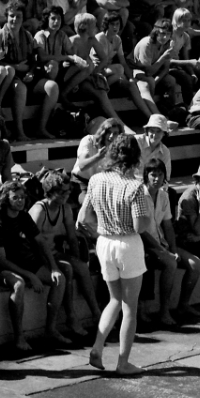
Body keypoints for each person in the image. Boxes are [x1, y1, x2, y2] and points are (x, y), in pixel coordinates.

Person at [78, 134, 151, 375]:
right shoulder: (135, 186)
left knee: (114, 300)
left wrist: (100, 233)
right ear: (135, 158)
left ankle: (98, 348)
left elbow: (84, 217)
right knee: (130, 307)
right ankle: (123, 362)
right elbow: (140, 226)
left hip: (104, 242)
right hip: (127, 243)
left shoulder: (96, 179)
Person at [0, 180, 72, 351]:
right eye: (15, 198)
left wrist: (54, 267)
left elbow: (40, 242)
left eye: (22, 197)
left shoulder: (24, 216)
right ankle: (19, 338)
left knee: (60, 279)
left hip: (28, 262)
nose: (20, 201)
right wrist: (30, 275)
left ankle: (51, 329)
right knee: (19, 285)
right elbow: (1, 260)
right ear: (5, 199)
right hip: (4, 268)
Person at [28, 168, 99, 333]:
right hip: (36, 255)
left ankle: (97, 314)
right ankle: (71, 317)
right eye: (62, 192)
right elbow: (33, 244)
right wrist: (54, 265)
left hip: (52, 252)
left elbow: (72, 238)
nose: (66, 195)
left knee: (80, 267)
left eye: (68, 191)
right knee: (66, 269)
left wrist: (76, 259)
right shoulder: (39, 210)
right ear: (51, 192)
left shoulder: (65, 209)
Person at [141, 159, 200, 320]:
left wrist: (173, 250)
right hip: (145, 244)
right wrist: (165, 252)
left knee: (195, 263)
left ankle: (183, 306)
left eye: (160, 175)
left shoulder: (164, 195)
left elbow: (168, 226)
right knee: (170, 263)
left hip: (161, 242)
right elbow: (140, 230)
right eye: (153, 175)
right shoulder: (140, 195)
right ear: (146, 176)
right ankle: (164, 311)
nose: (156, 178)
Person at [0, 0, 60, 139]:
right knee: (21, 89)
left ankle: (41, 128)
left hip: (27, 75)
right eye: (11, 16)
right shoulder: (0, 36)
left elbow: (33, 58)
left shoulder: (26, 35)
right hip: (9, 79)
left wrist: (31, 71)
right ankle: (19, 131)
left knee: (52, 87)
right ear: (6, 16)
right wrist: (16, 67)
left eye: (18, 16)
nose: (14, 19)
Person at [72, 118, 123, 202]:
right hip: (81, 182)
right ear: (103, 132)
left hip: (100, 184)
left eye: (115, 133)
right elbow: (82, 166)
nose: (111, 136)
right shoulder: (89, 141)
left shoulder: (117, 147)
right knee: (91, 203)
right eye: (109, 132)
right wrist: (98, 156)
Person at [133, 114, 172, 181]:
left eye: (158, 131)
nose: (154, 135)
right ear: (147, 131)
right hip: (132, 182)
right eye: (152, 130)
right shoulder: (136, 142)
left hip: (152, 185)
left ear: (164, 133)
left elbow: (166, 177)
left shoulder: (165, 151)